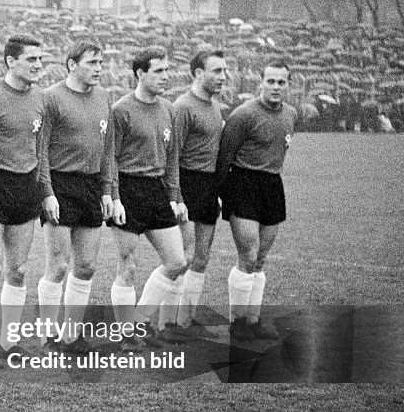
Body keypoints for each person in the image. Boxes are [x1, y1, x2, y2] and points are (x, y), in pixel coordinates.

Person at [0, 34, 51, 368]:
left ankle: (9, 342)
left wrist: (46, 191)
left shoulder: (40, 100)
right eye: (31, 59)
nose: (37, 65)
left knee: (18, 270)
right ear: (10, 62)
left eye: (39, 59)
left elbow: (41, 150)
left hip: (26, 186)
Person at [108, 46, 188, 349]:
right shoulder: (121, 110)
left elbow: (172, 158)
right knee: (127, 265)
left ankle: (137, 323)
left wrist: (175, 196)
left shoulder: (169, 109)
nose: (166, 77)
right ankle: (128, 335)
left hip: (156, 190)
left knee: (177, 261)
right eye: (159, 71)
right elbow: (110, 159)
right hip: (127, 189)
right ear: (141, 74)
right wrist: (114, 196)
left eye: (167, 71)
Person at [36, 41, 112, 354]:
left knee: (87, 265)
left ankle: (72, 336)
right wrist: (47, 193)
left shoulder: (105, 97)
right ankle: (47, 336)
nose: (98, 69)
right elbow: (41, 151)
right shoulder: (51, 98)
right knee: (57, 264)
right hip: (60, 184)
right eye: (92, 62)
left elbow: (108, 150)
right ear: (71, 65)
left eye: (100, 63)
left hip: (91, 185)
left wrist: (107, 190)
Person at [216, 59, 298, 340]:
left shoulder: (291, 114)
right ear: (260, 83)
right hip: (243, 183)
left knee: (260, 259)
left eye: (281, 82)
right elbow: (224, 158)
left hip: (272, 185)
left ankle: (252, 321)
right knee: (247, 256)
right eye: (270, 81)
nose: (275, 87)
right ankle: (237, 324)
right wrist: (224, 195)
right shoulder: (243, 115)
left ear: (289, 84)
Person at [172, 48, 227, 328]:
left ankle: (185, 319)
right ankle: (167, 321)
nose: (223, 77)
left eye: (224, 71)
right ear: (197, 73)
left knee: (201, 258)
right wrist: (177, 197)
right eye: (217, 71)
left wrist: (216, 191)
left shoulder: (216, 105)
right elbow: (172, 156)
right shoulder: (183, 106)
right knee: (184, 257)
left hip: (207, 187)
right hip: (186, 183)